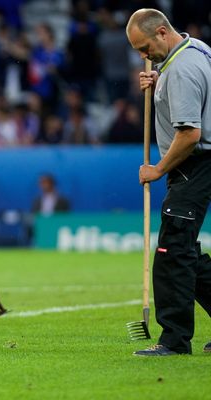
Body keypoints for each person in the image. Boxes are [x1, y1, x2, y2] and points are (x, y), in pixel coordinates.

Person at [126, 8, 211, 356]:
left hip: (194, 163)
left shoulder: (182, 71)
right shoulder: (196, 50)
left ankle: (175, 341)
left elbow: (191, 133)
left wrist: (158, 169)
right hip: (199, 164)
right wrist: (159, 80)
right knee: (187, 253)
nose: (144, 56)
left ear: (162, 32)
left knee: (171, 252)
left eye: (145, 47)